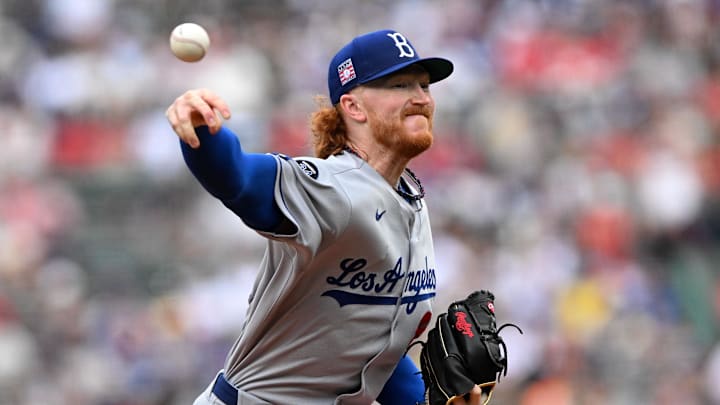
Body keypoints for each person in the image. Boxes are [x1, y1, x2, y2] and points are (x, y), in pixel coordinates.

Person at [166, 29, 485, 405]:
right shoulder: (335, 189)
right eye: (399, 85)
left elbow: (372, 350)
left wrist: (435, 400)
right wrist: (203, 133)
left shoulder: (413, 202)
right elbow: (241, 181)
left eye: (424, 86)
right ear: (353, 107)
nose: (420, 98)